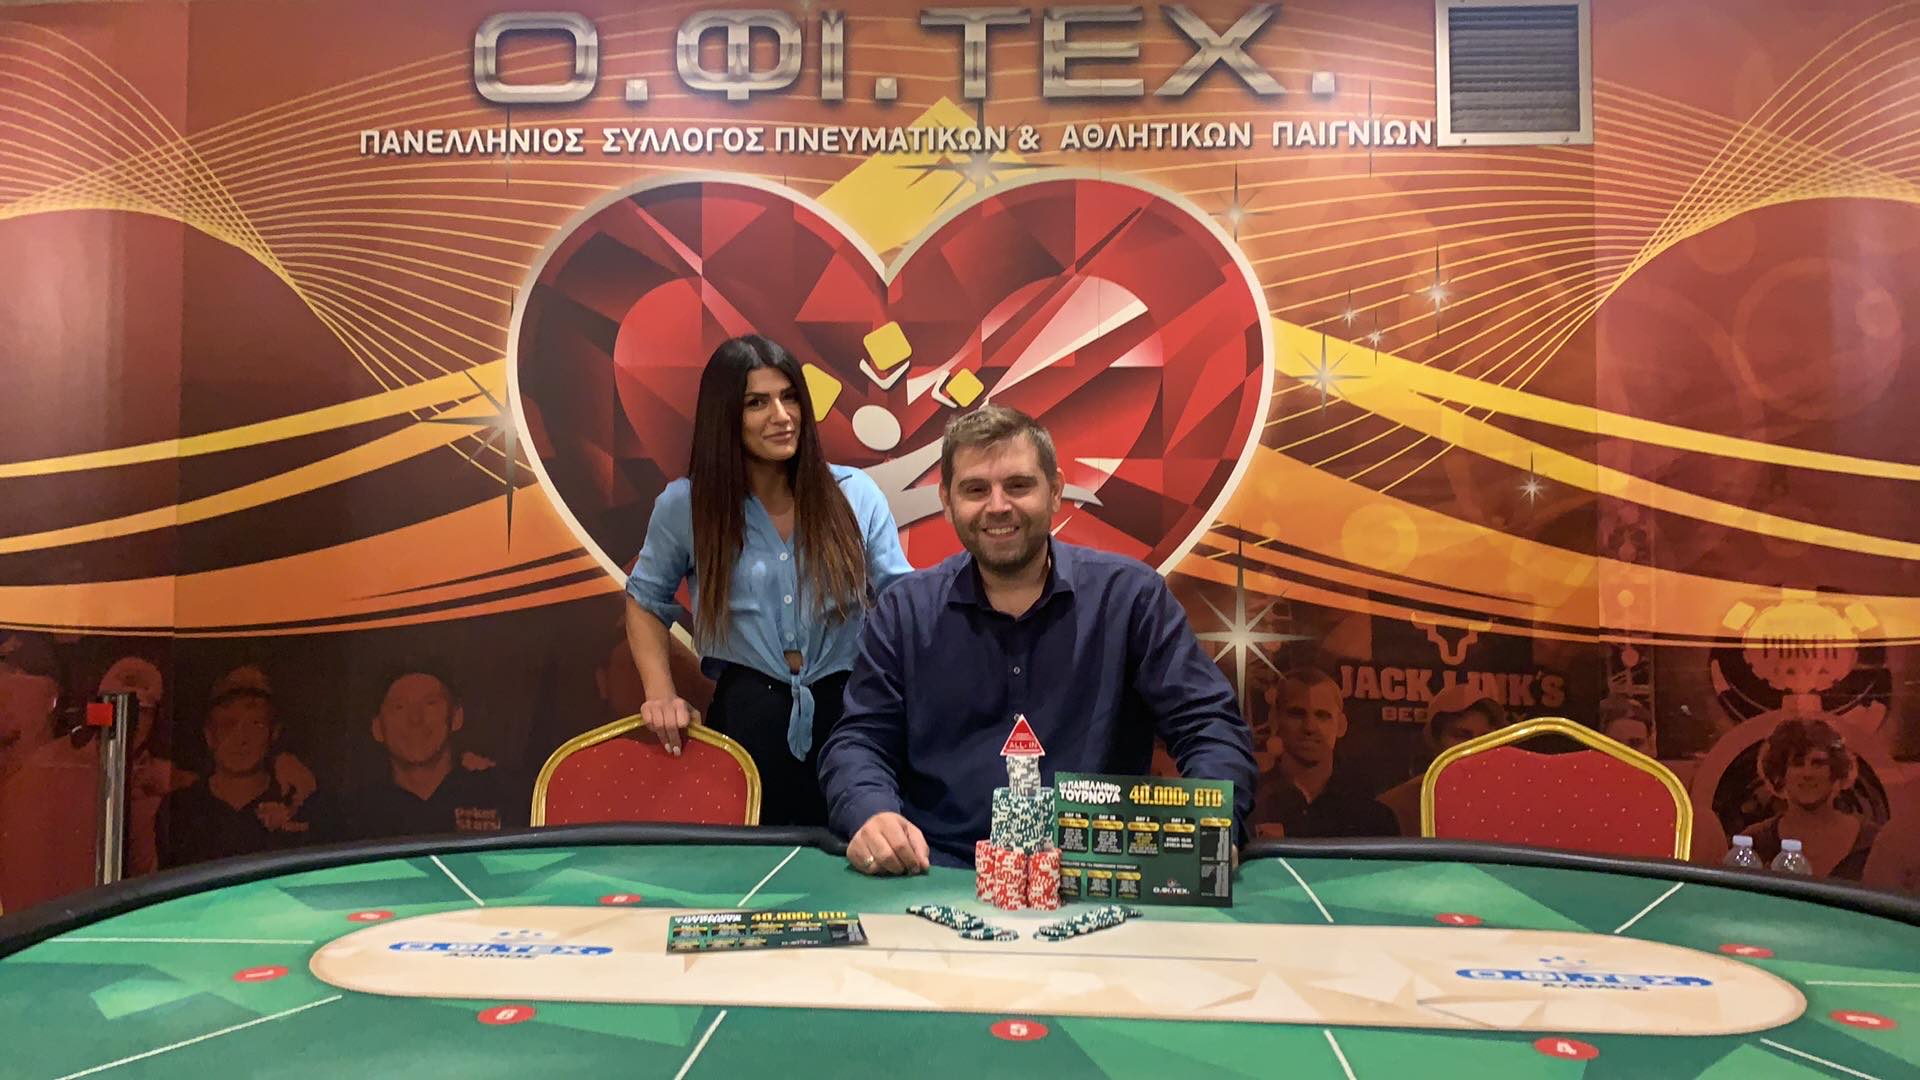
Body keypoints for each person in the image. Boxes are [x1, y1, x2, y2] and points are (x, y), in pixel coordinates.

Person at [818, 405, 1256, 874]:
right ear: (946, 501)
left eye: (1019, 485)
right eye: (975, 489)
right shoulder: (904, 611)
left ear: (1056, 491)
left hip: (1097, 873)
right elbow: (859, 741)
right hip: (935, 870)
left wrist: (1212, 825)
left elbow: (1209, 726)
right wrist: (871, 812)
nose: (998, 506)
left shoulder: (1131, 598)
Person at [624, 335, 910, 827]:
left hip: (851, 720)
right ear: (725, 416)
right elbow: (645, 601)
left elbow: (902, 601)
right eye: (757, 402)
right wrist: (660, 693)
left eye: (789, 397)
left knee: (856, 854)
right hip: (744, 722)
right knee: (748, 865)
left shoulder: (855, 494)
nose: (782, 416)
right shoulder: (686, 506)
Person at [333, 666, 521, 839]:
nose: (415, 719)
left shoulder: (503, 795)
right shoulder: (351, 819)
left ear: (456, 717)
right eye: (399, 707)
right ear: (377, 728)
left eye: (430, 703)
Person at [161, 686, 310, 866]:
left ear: (274, 734)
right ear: (209, 735)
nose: (241, 739)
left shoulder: (299, 803)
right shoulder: (181, 807)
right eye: (228, 725)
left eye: (256, 725)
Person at [1251, 668, 1396, 838]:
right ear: (1274, 720)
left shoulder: (1375, 816)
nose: (1309, 727)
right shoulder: (1243, 801)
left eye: (1322, 716)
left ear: (1341, 725)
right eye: (1297, 714)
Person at [1745, 715, 1881, 880]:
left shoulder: (1874, 841)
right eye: (1797, 764)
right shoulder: (1754, 842)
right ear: (1780, 774)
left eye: (1818, 763)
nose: (1807, 774)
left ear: (1836, 770)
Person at [1375, 684, 1505, 836]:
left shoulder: (1510, 799)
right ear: (1435, 739)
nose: (1475, 746)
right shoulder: (1397, 806)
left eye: (1486, 738)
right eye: (1462, 735)